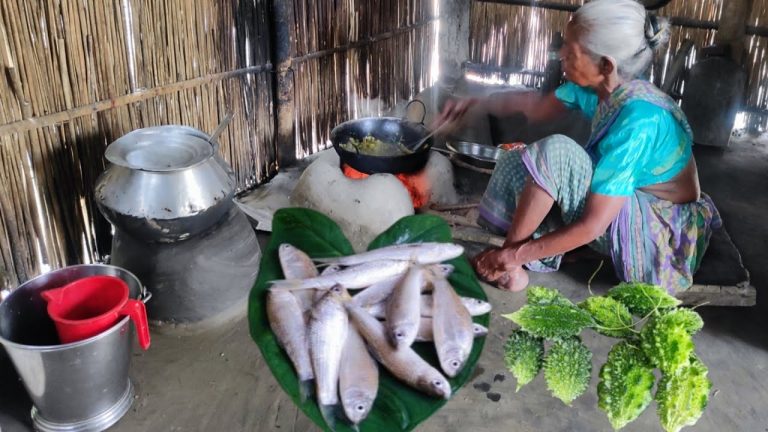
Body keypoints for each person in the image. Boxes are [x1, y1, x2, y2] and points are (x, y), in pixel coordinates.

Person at [433, 0, 721, 293]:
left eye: (571, 51)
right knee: (518, 156)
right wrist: (476, 103)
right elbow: (536, 108)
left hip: (661, 231)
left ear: (606, 64)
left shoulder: (640, 121)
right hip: (632, 203)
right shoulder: (602, 86)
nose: (561, 55)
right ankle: (529, 250)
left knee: (556, 153)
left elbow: (594, 225)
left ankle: (510, 266)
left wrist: (510, 255)